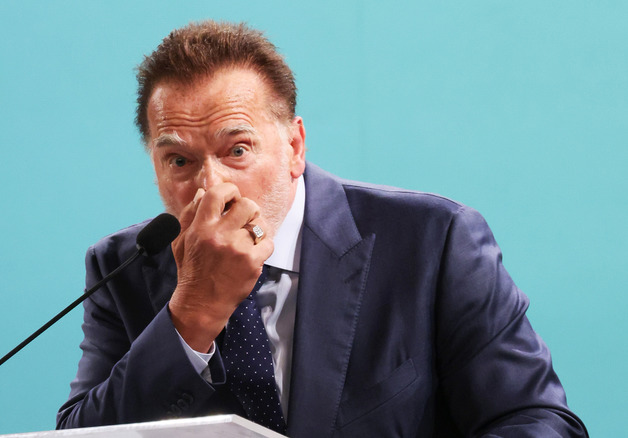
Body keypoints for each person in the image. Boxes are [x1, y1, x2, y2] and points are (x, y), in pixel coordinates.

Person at [56, 21, 587, 437]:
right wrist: (191, 314)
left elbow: (538, 422)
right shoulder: (120, 266)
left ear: (294, 147)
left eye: (237, 150)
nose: (209, 187)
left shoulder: (435, 241)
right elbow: (81, 437)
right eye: (178, 160)